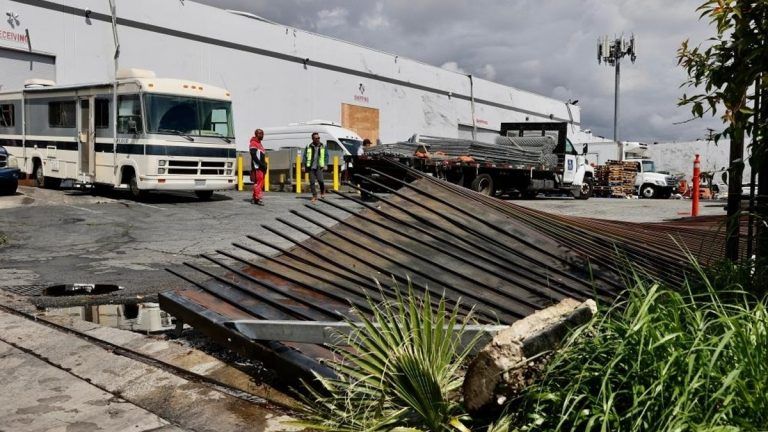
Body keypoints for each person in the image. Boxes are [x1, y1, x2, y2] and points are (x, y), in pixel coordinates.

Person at [303, 132, 326, 204]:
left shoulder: (323, 146)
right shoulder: (308, 146)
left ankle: (322, 191)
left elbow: (326, 156)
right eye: (316, 138)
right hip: (311, 167)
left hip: (319, 166)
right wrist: (304, 166)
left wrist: (325, 164)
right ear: (312, 139)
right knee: (312, 182)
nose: (318, 139)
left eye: (318, 138)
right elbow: (305, 156)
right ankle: (314, 195)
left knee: (321, 181)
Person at [249, 129, 267, 205]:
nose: (262, 135)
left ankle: (254, 198)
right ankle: (258, 198)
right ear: (257, 134)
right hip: (257, 167)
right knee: (259, 183)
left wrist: (264, 165)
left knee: (258, 183)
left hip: (260, 167)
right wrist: (260, 164)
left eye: (263, 134)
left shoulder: (259, 144)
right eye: (261, 134)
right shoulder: (254, 143)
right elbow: (253, 155)